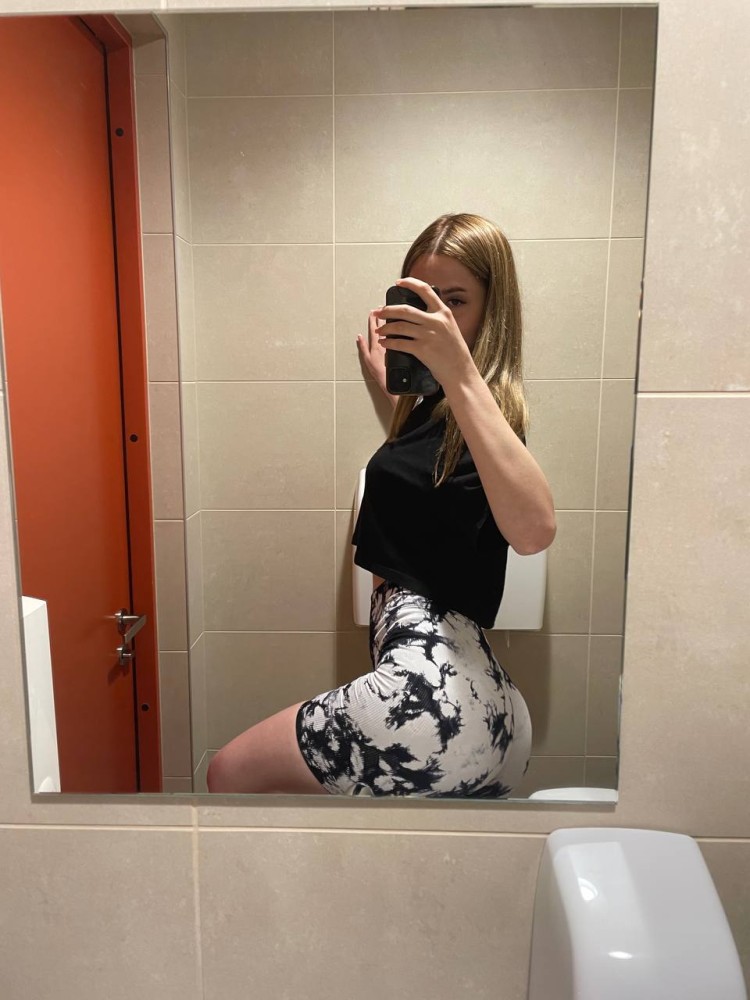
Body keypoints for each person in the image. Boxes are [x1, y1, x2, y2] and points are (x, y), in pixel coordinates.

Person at [207, 212, 556, 797]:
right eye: (422, 302)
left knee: (228, 773)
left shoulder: (487, 409)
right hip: (486, 707)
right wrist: (397, 393)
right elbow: (429, 477)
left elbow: (535, 530)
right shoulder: (446, 416)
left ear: (492, 312)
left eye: (455, 302)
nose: (435, 320)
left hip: (427, 696)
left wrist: (455, 369)